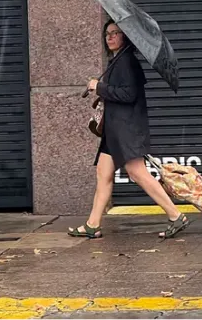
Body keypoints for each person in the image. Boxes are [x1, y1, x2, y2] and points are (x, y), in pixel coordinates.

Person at [68, 20, 190, 240]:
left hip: (127, 130)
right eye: (107, 34)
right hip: (114, 131)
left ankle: (176, 215)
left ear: (126, 36)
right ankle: (92, 224)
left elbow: (128, 94)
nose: (110, 37)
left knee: (137, 173)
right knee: (103, 174)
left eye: (116, 33)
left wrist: (99, 86)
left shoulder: (127, 62)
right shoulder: (117, 61)